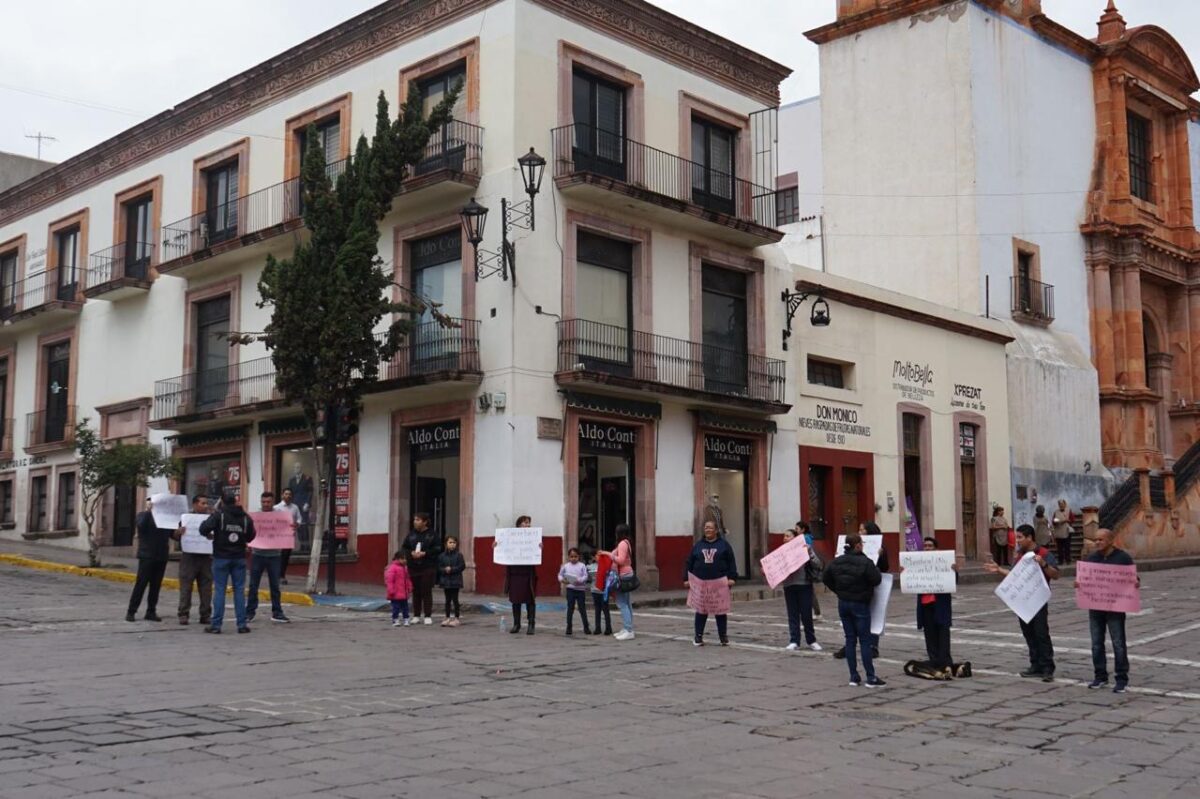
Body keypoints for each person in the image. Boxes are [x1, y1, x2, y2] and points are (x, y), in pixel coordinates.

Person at [984, 524, 1059, 681]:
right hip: (1022, 602)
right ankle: (1035, 664)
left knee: (1041, 634)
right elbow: (1014, 575)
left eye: (1020, 537)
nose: (1017, 541)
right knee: (1029, 634)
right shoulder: (1019, 555)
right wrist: (998, 570)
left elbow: (1056, 574)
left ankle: (1047, 667)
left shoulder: (1044, 553)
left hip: (1038, 600)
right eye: (1017, 537)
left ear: (1030, 537)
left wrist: (1043, 564)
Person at [1077, 528, 1136, 693]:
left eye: (1101, 540)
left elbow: (1132, 578)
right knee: (1096, 643)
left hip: (1115, 607)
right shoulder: (1092, 558)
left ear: (1110, 541)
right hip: (1095, 607)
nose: (1097, 543)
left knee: (1118, 643)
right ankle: (1100, 675)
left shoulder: (1123, 558)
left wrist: (1135, 582)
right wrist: (1079, 584)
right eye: (1095, 540)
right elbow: (1084, 579)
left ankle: (1121, 678)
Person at [823, 533, 885, 687]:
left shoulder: (837, 561)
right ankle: (870, 677)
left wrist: (838, 590)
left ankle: (853, 676)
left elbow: (825, 577)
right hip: (860, 604)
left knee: (850, 639)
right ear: (858, 545)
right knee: (865, 640)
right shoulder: (865, 562)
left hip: (843, 603)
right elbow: (877, 579)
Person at [200, 490, 257, 634]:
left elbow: (203, 528)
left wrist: (210, 534)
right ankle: (242, 624)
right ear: (236, 501)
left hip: (221, 557)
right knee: (239, 590)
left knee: (220, 590)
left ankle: (216, 625)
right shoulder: (245, 517)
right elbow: (251, 536)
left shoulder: (219, 515)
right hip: (239, 558)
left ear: (222, 501)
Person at [834, 522, 887, 660]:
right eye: (859, 529)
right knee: (853, 618)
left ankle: (872, 645)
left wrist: (880, 556)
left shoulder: (879, 546)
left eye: (862, 529)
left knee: (872, 614)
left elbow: (885, 567)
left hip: (868, 585)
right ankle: (849, 645)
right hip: (853, 587)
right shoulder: (853, 547)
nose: (860, 531)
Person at [685, 520, 737, 646]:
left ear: (716, 530)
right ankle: (698, 636)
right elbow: (689, 562)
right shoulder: (698, 546)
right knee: (701, 611)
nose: (707, 530)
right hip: (701, 583)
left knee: (720, 611)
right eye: (706, 528)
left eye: (710, 528)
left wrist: (732, 577)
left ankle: (723, 636)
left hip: (719, 584)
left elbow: (731, 562)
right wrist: (686, 579)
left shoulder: (724, 545)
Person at [911, 536, 958, 673]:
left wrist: (954, 570)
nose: (927, 548)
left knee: (943, 632)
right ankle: (934, 659)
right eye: (925, 546)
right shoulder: (919, 563)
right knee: (929, 633)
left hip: (940, 604)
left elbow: (953, 581)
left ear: (936, 548)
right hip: (925, 604)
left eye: (930, 546)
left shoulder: (945, 562)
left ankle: (945, 661)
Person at [126, 497, 172, 622]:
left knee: (156, 586)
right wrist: (148, 511)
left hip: (161, 555)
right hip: (147, 555)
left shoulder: (166, 518)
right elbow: (141, 526)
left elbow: (173, 534)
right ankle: (131, 611)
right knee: (141, 584)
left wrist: (179, 531)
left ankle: (151, 611)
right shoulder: (143, 515)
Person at [246, 491, 289, 624]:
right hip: (257, 554)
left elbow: (286, 530)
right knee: (253, 585)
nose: (266, 504)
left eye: (268, 502)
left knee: (275, 585)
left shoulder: (280, 515)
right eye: (263, 502)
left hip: (274, 555)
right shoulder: (255, 516)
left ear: (273, 502)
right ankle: (250, 612)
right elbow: (249, 532)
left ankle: (277, 612)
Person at [173, 494, 213, 627]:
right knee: (186, 587)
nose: (206, 505)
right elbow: (174, 535)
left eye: (206, 503)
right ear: (195, 504)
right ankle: (183, 614)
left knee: (206, 588)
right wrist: (178, 532)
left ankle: (205, 614)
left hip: (206, 558)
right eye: (203, 503)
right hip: (189, 557)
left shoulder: (212, 518)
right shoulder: (185, 518)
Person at [779, 526, 821, 652]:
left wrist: (810, 553)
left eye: (788, 536)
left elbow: (818, 564)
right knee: (792, 614)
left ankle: (811, 640)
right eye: (784, 536)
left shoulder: (805, 549)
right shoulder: (780, 552)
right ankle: (794, 640)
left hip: (804, 584)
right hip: (789, 585)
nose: (785, 539)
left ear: (795, 538)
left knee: (806, 614)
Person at [402, 512, 441, 626]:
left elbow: (437, 548)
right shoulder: (411, 535)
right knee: (416, 591)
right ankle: (416, 615)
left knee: (426, 590)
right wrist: (411, 553)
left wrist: (425, 553)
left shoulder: (432, 535)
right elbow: (404, 547)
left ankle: (428, 615)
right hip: (414, 566)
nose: (415, 522)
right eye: (415, 520)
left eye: (418, 520)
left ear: (425, 522)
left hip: (428, 566)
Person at [599, 524, 636, 640]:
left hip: (623, 575)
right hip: (627, 574)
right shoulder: (627, 543)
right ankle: (627, 628)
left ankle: (628, 629)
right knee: (627, 602)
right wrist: (606, 553)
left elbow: (620, 560)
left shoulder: (622, 544)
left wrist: (609, 555)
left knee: (622, 603)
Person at [503, 515, 538, 635]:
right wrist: (496, 545)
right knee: (515, 600)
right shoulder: (511, 538)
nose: (527, 525)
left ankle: (531, 624)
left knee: (530, 600)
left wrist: (539, 548)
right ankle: (516, 624)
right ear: (518, 525)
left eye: (529, 523)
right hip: (515, 573)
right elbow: (503, 549)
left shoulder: (534, 538)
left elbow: (537, 554)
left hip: (527, 574)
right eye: (525, 523)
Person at [559, 547, 591, 636]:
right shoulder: (565, 566)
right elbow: (560, 575)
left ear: (579, 557)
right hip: (570, 590)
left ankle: (586, 627)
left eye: (575, 556)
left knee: (582, 609)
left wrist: (580, 580)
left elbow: (585, 576)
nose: (573, 558)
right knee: (570, 609)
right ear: (568, 557)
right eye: (571, 556)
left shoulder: (582, 565)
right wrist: (562, 580)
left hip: (580, 590)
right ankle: (569, 627)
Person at [274, 487, 302, 585]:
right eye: (286, 494)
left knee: (285, 557)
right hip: (278, 537)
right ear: (282, 495)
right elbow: (272, 521)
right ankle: (276, 575)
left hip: (289, 536)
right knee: (277, 556)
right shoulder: (276, 508)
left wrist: (297, 524)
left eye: (290, 494)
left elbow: (299, 519)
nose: (288, 496)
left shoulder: (295, 507)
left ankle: (282, 575)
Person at [438, 536, 466, 627]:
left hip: (455, 580)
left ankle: (457, 618)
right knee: (447, 600)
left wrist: (452, 569)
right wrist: (444, 569)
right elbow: (438, 567)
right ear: (446, 544)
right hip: (445, 581)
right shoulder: (442, 556)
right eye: (450, 542)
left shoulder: (459, 555)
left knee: (455, 600)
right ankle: (447, 617)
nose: (452, 544)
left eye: (454, 542)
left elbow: (462, 566)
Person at [796, 521, 821, 619]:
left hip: (807, 566)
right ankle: (816, 612)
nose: (796, 530)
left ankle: (815, 612)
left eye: (797, 529)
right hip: (806, 565)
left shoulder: (806, 538)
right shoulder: (805, 538)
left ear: (803, 529)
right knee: (810, 591)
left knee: (809, 591)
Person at [385, 550, 413, 627]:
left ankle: (406, 619)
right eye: (403, 558)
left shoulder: (405, 568)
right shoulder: (392, 568)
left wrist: (409, 587)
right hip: (395, 593)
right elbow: (389, 580)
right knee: (395, 608)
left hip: (404, 593)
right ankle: (395, 619)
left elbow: (407, 579)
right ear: (398, 559)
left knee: (405, 608)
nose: (405, 560)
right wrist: (391, 590)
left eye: (405, 559)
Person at [589, 552, 613, 636]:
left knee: (605, 609)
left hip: (603, 591)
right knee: (597, 610)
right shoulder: (590, 567)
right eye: (597, 555)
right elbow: (588, 578)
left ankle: (608, 628)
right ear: (594, 557)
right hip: (594, 590)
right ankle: (597, 628)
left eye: (601, 556)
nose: (599, 557)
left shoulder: (606, 566)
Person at [1052, 499, 1072, 565]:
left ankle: (1068, 560)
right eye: (1060, 505)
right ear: (1058, 505)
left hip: (1066, 532)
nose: (1061, 506)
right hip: (1058, 532)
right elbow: (1054, 521)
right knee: (1059, 548)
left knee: (1067, 548)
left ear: (1065, 504)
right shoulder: (1056, 512)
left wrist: (1068, 521)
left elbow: (1072, 519)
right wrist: (1058, 521)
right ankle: (1060, 561)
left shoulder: (1069, 510)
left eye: (1062, 504)